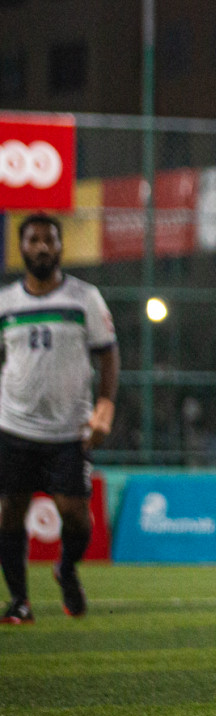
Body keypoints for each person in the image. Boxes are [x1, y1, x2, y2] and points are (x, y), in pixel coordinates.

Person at [0, 213, 118, 624]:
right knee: (9, 512)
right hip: (13, 428)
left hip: (70, 431)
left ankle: (66, 570)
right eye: (33, 240)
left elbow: (108, 352)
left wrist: (105, 405)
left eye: (49, 239)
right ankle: (19, 601)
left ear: (61, 246)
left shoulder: (84, 297)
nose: (42, 247)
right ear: (22, 247)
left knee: (76, 516)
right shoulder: (6, 303)